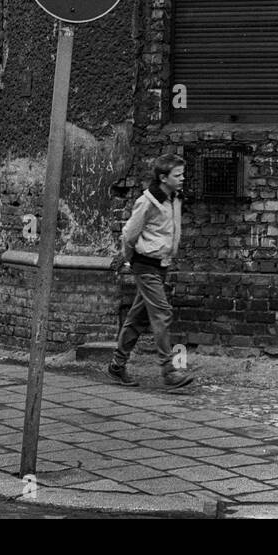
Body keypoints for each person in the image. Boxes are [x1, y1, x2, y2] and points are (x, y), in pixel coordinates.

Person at [107, 153, 194, 389]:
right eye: (178, 175)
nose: (183, 178)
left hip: (160, 265)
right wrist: (129, 258)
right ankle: (169, 371)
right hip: (145, 265)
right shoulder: (148, 202)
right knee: (162, 313)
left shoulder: (174, 198)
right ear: (163, 177)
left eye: (182, 173)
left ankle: (116, 366)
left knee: (137, 318)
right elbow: (129, 233)